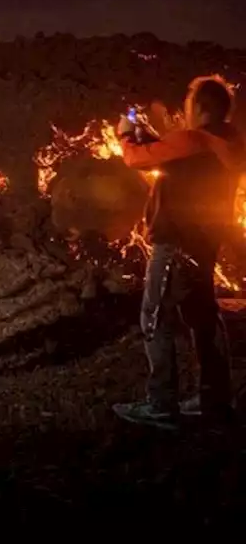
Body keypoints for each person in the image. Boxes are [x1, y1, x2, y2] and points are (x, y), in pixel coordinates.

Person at [112, 76, 242, 429]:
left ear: (200, 107)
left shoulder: (195, 139)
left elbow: (136, 159)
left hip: (174, 242)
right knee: (204, 318)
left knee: (154, 317)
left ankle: (161, 403)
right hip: (204, 242)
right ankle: (216, 399)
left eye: (189, 103)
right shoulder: (226, 142)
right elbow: (178, 159)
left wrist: (126, 133)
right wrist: (153, 137)